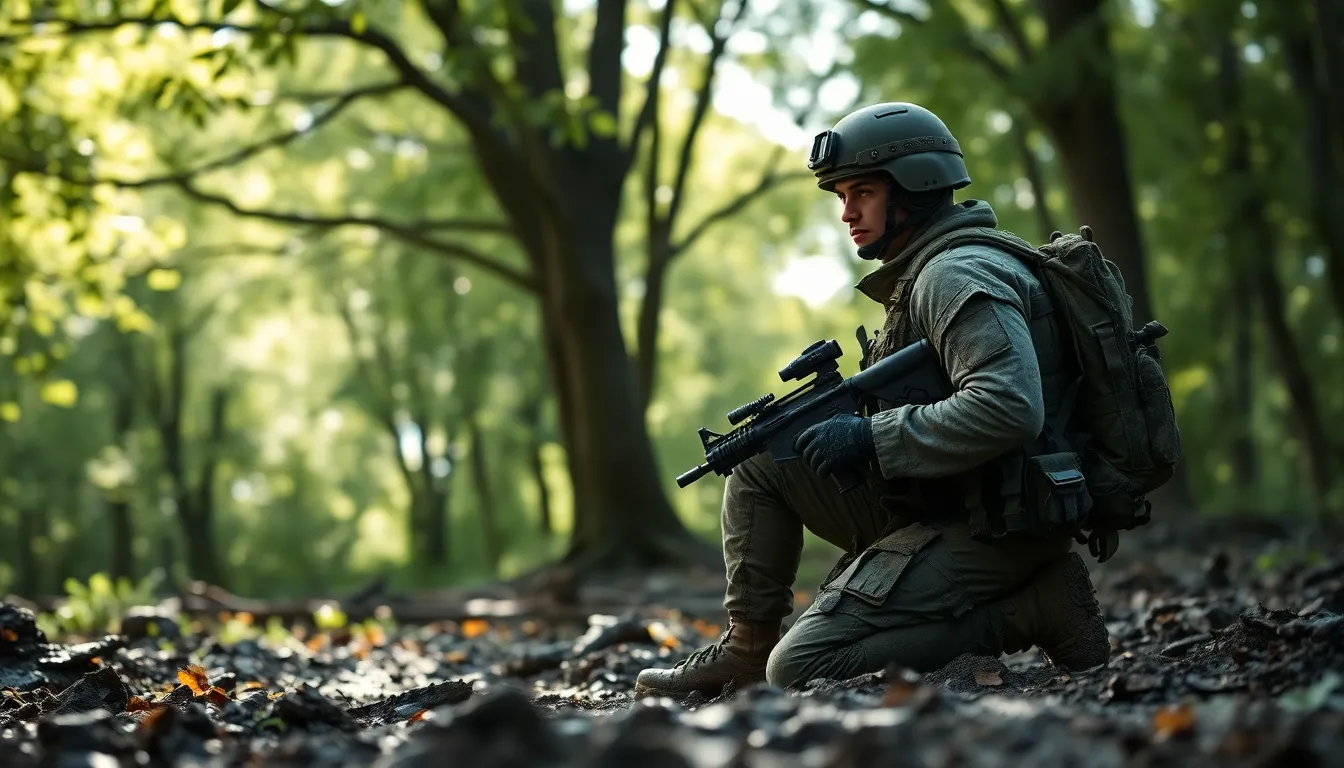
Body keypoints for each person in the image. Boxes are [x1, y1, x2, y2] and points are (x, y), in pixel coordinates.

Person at [634, 102, 1111, 698]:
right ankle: (746, 648)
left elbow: (1010, 407)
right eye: (840, 196)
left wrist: (871, 438)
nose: (847, 212)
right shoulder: (925, 272)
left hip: (1002, 525)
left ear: (916, 186)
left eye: (861, 192)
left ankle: (1036, 608)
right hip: (956, 497)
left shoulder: (955, 275)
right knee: (760, 460)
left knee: (799, 669)